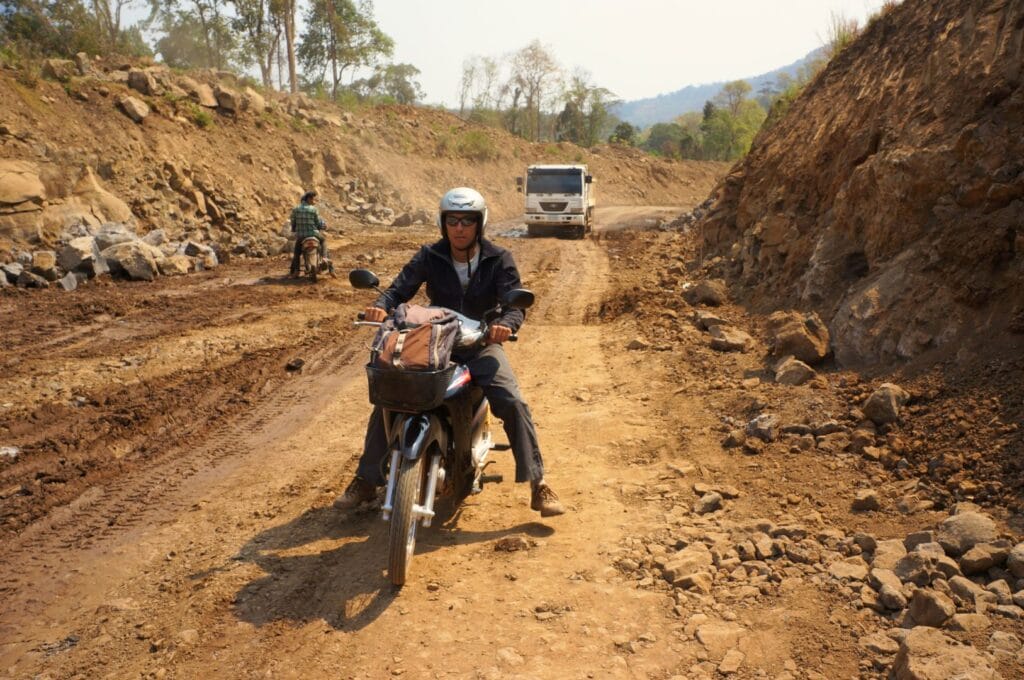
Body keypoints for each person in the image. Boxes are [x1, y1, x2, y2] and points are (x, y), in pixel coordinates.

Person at [337, 187, 565, 517]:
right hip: (434, 341)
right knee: (391, 390)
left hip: (479, 344)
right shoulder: (430, 255)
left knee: (512, 401)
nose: (459, 228)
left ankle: (538, 483)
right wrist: (378, 307)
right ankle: (367, 479)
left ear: (479, 223)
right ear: (443, 223)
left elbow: (514, 305)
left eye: (467, 221)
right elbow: (398, 290)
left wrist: (506, 325)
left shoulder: (498, 258)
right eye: (453, 220)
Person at [289, 190, 333, 277]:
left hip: (301, 236)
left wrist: (294, 228)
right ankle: (324, 259)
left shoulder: (295, 209)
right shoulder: (313, 209)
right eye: (314, 200)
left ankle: (297, 271)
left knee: (297, 253)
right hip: (313, 234)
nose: (314, 202)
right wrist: (321, 226)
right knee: (323, 241)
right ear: (309, 199)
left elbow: (293, 221)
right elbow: (317, 222)